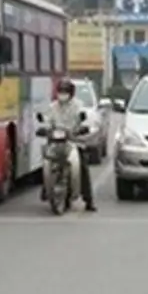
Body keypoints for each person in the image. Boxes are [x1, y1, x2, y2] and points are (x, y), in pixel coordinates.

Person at [40, 78, 96, 211]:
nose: (62, 94)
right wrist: (45, 128)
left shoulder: (78, 106)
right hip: (55, 140)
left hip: (73, 140)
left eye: (65, 91)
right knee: (46, 162)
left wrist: (81, 129)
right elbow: (47, 120)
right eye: (60, 91)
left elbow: (83, 120)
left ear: (71, 93)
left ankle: (88, 199)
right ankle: (46, 188)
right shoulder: (52, 107)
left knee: (82, 166)